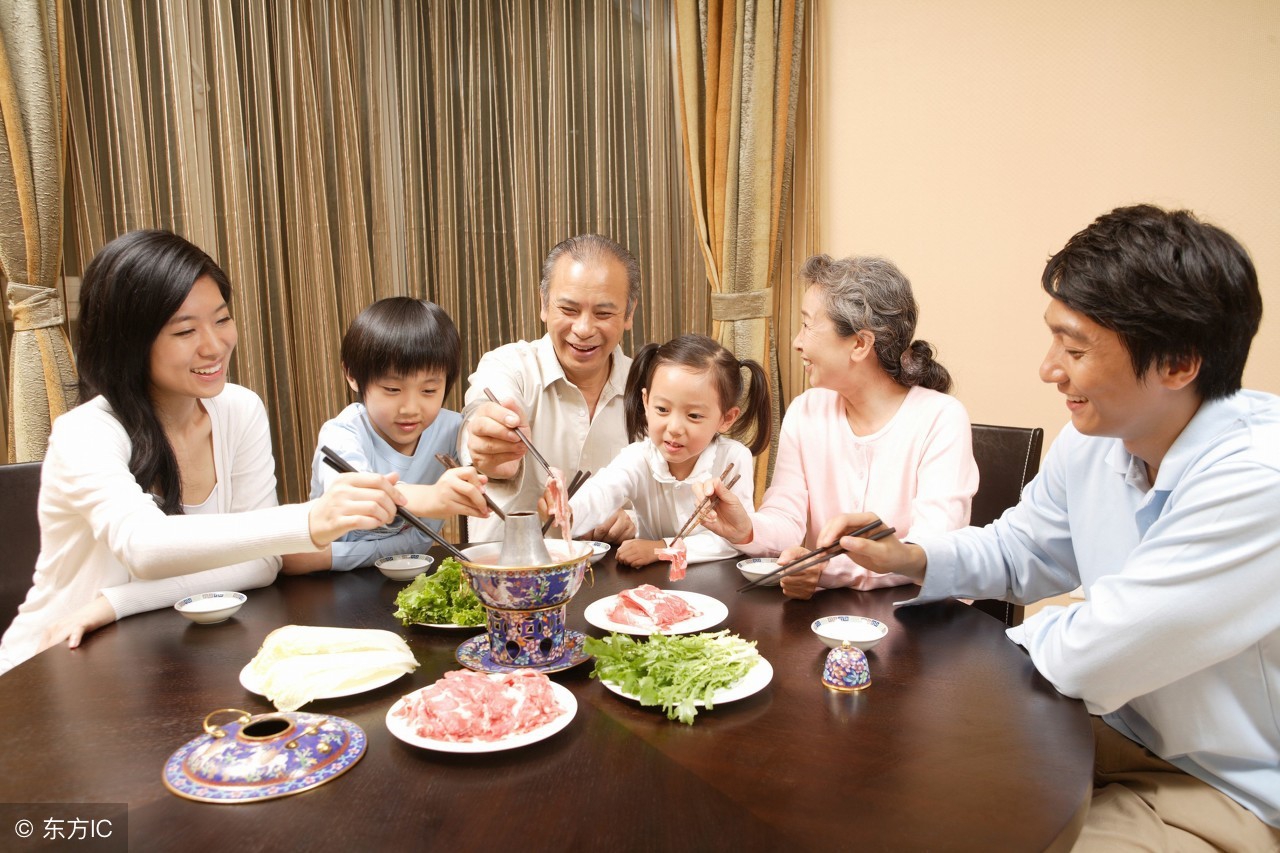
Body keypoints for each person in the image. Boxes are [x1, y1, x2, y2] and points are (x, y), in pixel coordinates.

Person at [796, 206, 1280, 849]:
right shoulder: (1100, 437)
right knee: (874, 792)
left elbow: (1109, 640)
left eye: (1075, 348)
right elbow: (1021, 548)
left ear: (1178, 364)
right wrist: (907, 556)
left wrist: (950, 675)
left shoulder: (1257, 479)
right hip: (1097, 728)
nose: (1050, 369)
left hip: (1213, 784)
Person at [0, 230, 405, 676]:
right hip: (55, 661)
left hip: (168, 659)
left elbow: (260, 564)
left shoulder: (239, 409)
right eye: (185, 330)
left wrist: (114, 604)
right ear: (129, 341)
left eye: (222, 319)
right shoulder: (84, 433)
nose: (214, 346)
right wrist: (309, 520)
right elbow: (146, 548)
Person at [699, 254, 977, 598]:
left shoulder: (941, 418)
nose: (797, 342)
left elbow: (933, 549)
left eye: (807, 325)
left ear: (860, 344)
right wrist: (746, 528)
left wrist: (824, 569)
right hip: (827, 621)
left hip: (918, 620)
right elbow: (787, 516)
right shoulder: (806, 411)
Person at [284, 297, 490, 574]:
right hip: (329, 583)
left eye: (429, 391)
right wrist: (432, 498)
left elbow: (491, 471)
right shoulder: (342, 434)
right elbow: (360, 497)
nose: (410, 409)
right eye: (392, 389)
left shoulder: (453, 430)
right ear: (352, 375)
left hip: (402, 574)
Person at [461, 233, 641, 543]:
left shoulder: (648, 387)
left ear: (629, 313)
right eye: (569, 310)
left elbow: (675, 488)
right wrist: (488, 444)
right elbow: (481, 409)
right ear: (544, 304)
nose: (583, 329)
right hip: (515, 575)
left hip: (617, 576)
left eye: (603, 313)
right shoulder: (508, 366)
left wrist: (634, 521)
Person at [560, 333, 769, 567]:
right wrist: (566, 512)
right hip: (650, 585)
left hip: (715, 582)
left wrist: (662, 548)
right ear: (646, 402)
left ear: (726, 418)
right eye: (662, 409)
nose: (675, 428)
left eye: (694, 415)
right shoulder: (638, 457)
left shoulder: (732, 458)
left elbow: (733, 539)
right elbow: (601, 493)